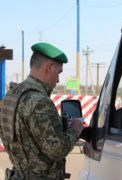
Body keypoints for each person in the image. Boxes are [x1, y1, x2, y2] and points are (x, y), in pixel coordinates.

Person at [0, 43, 84, 179]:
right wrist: (75, 129)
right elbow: (57, 150)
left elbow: (8, 138)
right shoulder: (40, 101)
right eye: (59, 72)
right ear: (49, 67)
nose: (58, 79)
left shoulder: (11, 96)